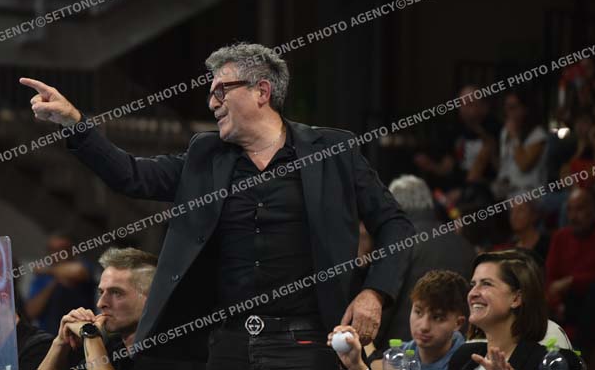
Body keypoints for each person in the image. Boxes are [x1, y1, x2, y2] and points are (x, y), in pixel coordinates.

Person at [20, 42, 416, 369]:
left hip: (306, 342)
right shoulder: (205, 156)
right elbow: (131, 175)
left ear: (262, 92)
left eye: (221, 90)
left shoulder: (333, 151)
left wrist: (374, 293)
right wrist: (75, 123)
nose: (212, 102)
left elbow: (395, 224)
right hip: (227, 343)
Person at [375, 176, 476, 350]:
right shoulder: (465, 245)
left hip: (401, 352)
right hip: (454, 351)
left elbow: (383, 302)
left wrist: (370, 350)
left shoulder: (399, 243)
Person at [448, 250, 581, 370]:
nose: (473, 293)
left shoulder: (555, 362)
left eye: (486, 284)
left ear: (516, 298)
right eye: (473, 284)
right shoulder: (464, 356)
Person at [38, 247, 158, 370]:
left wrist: (90, 334)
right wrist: (60, 343)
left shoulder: (165, 353)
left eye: (116, 292)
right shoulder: (111, 348)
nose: (100, 303)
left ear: (151, 298)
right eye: (101, 292)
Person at [331, 270, 468, 370]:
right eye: (418, 312)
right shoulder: (398, 354)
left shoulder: (468, 362)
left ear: (458, 323)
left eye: (437, 318)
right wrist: (355, 365)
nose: (424, 326)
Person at [545, 187, 595, 352]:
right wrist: (557, 304)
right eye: (570, 210)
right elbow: (550, 279)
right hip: (566, 303)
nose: (573, 216)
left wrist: (572, 281)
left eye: (579, 209)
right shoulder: (560, 237)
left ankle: (579, 350)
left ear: (592, 210)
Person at [414, 85, 500, 191]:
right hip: (457, 188)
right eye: (461, 104)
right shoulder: (455, 131)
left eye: (469, 104)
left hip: (484, 188)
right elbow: (447, 167)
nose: (464, 109)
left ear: (484, 107)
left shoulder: (494, 130)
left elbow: (497, 168)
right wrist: (431, 166)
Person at [26, 233, 97, 335]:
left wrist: (47, 270)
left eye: (62, 250)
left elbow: (77, 271)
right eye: (52, 250)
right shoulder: (43, 278)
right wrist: (54, 282)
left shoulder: (84, 266)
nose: (57, 254)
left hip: (80, 334)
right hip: (48, 336)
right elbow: (30, 312)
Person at [494, 90, 548, 200]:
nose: (509, 112)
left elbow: (524, 165)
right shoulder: (505, 132)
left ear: (525, 109)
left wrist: (515, 136)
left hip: (529, 190)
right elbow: (504, 166)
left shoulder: (538, 135)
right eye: (507, 107)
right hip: (508, 188)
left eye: (513, 107)